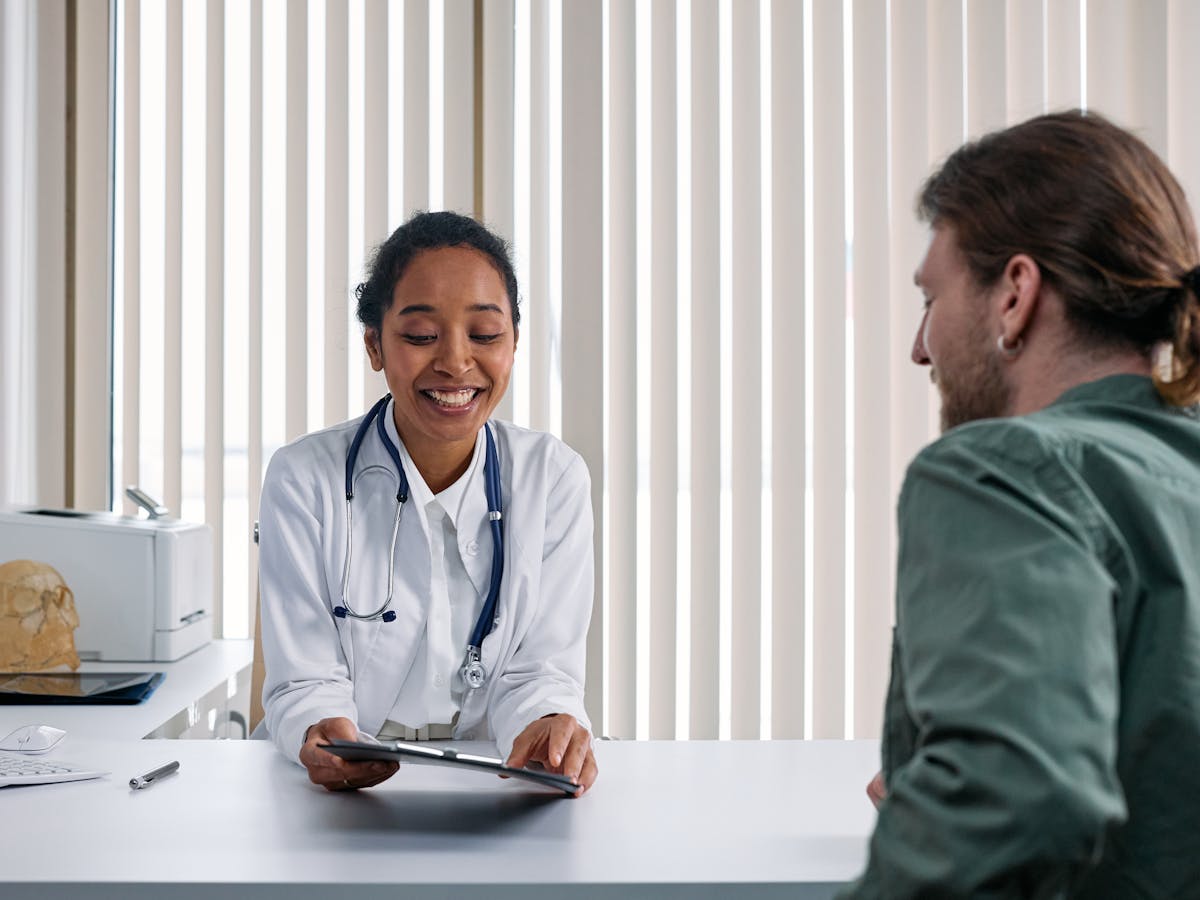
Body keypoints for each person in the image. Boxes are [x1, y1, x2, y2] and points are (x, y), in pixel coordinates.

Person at [843, 111, 1200, 896]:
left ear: (1014, 294)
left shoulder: (1002, 470)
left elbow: (1017, 802)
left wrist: (961, 805)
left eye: (931, 298)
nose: (920, 348)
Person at [257, 211, 598, 794]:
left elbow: (542, 671)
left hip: (492, 784)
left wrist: (549, 723)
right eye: (420, 336)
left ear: (514, 343)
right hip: (334, 798)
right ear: (375, 345)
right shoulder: (304, 478)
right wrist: (321, 729)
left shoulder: (553, 478)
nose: (455, 362)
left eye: (484, 335)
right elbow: (304, 680)